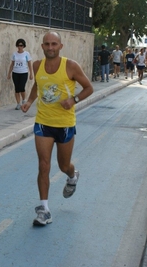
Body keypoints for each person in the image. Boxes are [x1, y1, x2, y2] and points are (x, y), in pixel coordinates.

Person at [21, 31, 93, 226]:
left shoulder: (70, 66)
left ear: (60, 46)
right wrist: (29, 101)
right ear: (42, 46)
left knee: (63, 165)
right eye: (47, 44)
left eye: (54, 44)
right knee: (43, 165)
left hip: (65, 124)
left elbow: (89, 88)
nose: (50, 47)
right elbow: (38, 84)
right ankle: (44, 210)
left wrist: (74, 100)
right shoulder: (37, 65)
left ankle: (72, 175)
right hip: (43, 122)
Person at [7, 38, 34, 110]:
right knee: (16, 88)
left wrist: (31, 73)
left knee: (22, 87)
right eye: (18, 45)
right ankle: (18, 103)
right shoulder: (14, 54)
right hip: (15, 72)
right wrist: (9, 73)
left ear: (23, 46)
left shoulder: (26, 54)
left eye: (21, 45)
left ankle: (24, 99)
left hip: (24, 72)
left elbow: (29, 64)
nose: (20, 47)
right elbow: (12, 64)